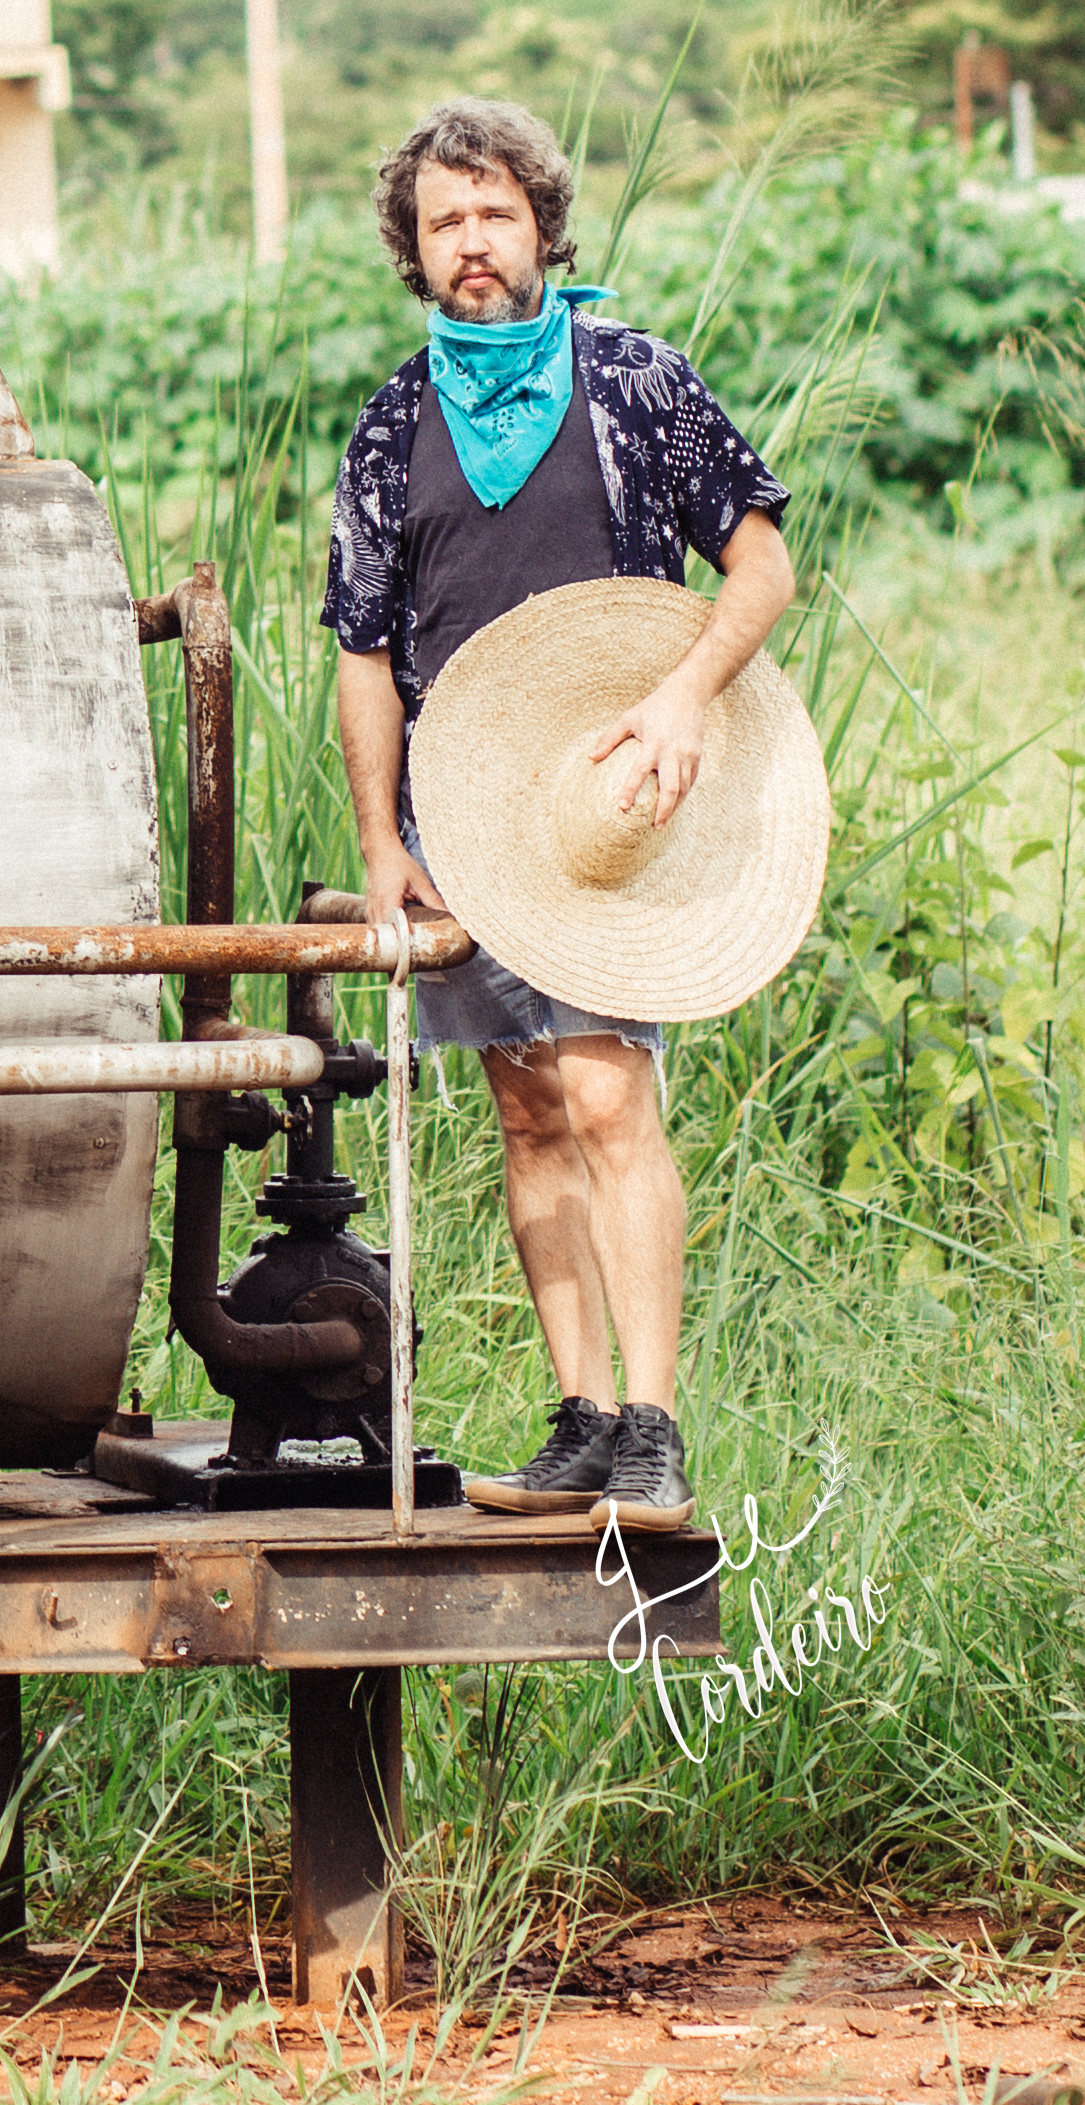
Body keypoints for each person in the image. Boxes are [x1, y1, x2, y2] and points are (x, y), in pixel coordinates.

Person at [329, 97, 794, 1533]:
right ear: (413, 251)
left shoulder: (634, 379)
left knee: (602, 1093)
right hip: (457, 814)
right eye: (441, 223)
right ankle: (579, 1419)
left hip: (607, 806)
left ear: (539, 222)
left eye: (491, 214)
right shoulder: (393, 419)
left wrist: (678, 701)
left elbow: (760, 567)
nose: (468, 244)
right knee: (526, 1110)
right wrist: (376, 844)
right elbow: (359, 648)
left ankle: (651, 1430)